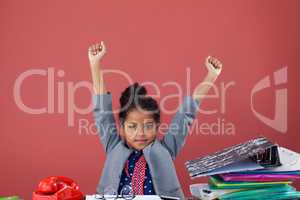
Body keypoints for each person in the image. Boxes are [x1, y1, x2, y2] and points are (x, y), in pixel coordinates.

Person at [88, 41, 222, 199]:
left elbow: (185, 114)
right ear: (122, 127)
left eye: (148, 126)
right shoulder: (113, 146)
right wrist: (95, 64)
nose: (140, 133)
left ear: (157, 126)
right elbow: (102, 113)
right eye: (132, 126)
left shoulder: (166, 149)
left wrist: (211, 76)